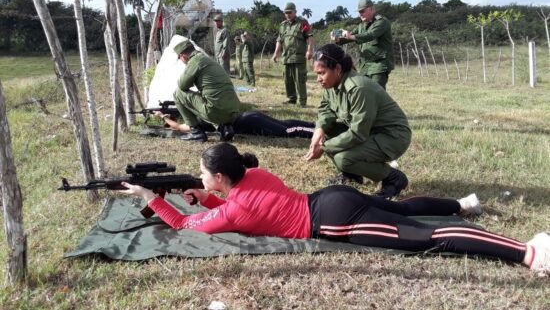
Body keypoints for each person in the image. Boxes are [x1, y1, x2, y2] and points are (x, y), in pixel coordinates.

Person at [120, 143, 550, 276]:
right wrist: (206, 196)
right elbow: (240, 204)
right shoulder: (255, 176)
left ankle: (530, 254)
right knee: (401, 211)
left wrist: (149, 197)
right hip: (330, 198)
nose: (199, 176)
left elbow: (185, 225)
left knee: (425, 238)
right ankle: (461, 205)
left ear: (219, 177)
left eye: (203, 173)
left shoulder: (232, 210)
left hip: (334, 223)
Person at [304, 44, 411, 199]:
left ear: (338, 69)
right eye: (317, 74)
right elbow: (326, 108)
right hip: (371, 132)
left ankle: (393, 178)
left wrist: (323, 147)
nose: (318, 79)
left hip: (392, 137)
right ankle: (353, 176)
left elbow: (358, 133)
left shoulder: (359, 88)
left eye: (322, 73)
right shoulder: (332, 84)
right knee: (329, 132)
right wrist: (320, 129)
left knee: (343, 158)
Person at [173, 39, 240, 142]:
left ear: (183, 56)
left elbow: (182, 86)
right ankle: (225, 128)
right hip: (234, 111)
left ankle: (196, 133)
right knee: (212, 98)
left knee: (177, 93)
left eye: (180, 59)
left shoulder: (195, 61)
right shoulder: (208, 60)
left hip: (216, 111)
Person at [335, 0, 395, 90]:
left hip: (379, 65)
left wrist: (351, 36)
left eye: (362, 11)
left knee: (376, 92)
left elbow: (370, 35)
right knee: (365, 92)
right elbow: (349, 36)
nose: (360, 14)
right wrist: (336, 35)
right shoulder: (361, 26)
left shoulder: (382, 22)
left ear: (371, 9)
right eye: (359, 12)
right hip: (365, 66)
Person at [152, 110, 315, 139]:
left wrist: (163, 118)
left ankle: (315, 132)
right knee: (284, 124)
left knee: (285, 131)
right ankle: (315, 125)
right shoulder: (206, 113)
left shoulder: (198, 122)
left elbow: (179, 127)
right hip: (248, 116)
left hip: (250, 122)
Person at [272, 2, 314, 108]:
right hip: (286, 57)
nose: (288, 14)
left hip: (299, 57)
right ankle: (292, 99)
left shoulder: (302, 22)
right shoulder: (283, 25)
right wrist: (276, 54)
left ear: (295, 11)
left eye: (290, 12)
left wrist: (309, 50)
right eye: (286, 13)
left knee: (300, 80)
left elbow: (309, 37)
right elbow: (279, 40)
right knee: (288, 79)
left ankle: (303, 102)